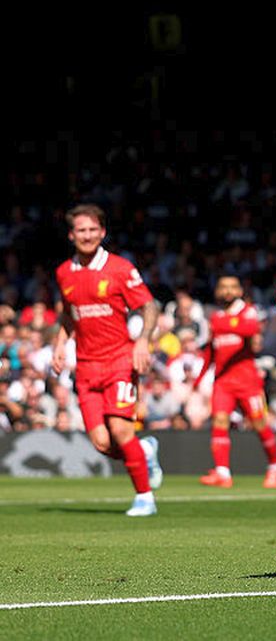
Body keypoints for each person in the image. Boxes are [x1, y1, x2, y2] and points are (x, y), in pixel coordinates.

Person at [52, 204, 163, 517]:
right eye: (80, 231)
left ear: (102, 232)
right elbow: (68, 314)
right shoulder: (63, 273)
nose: (86, 236)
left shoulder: (120, 268)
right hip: (86, 367)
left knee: (120, 429)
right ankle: (144, 451)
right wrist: (61, 344)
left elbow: (149, 307)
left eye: (92, 230)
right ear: (72, 235)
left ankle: (145, 498)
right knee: (102, 443)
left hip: (119, 361)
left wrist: (142, 341)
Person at [198, 275, 276, 489]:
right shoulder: (215, 317)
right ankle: (223, 473)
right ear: (217, 291)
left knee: (259, 424)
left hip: (247, 381)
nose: (227, 291)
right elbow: (211, 351)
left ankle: (275, 468)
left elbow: (249, 329)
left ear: (239, 291)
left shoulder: (247, 311)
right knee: (219, 422)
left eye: (232, 287)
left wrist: (223, 324)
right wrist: (199, 378)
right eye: (223, 287)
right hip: (223, 381)